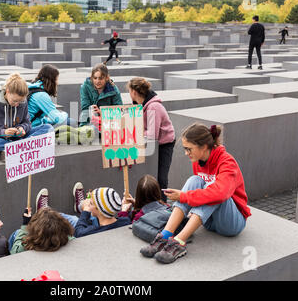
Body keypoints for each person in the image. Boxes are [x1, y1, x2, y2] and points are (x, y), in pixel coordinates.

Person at [140, 123, 252, 264]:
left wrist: (183, 196)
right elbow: (199, 193)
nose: (186, 153)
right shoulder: (198, 161)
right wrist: (187, 199)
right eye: (185, 149)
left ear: (204, 146)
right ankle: (165, 235)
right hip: (209, 221)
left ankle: (179, 241)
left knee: (214, 188)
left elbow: (220, 194)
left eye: (189, 149)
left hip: (231, 223)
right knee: (195, 180)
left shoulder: (227, 162)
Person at [0, 73, 53, 161]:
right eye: (15, 101)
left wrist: (22, 128)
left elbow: (27, 123)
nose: (17, 104)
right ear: (7, 91)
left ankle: (13, 149)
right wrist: (4, 132)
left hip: (18, 138)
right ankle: (22, 147)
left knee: (48, 128)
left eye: (20, 101)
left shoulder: (22, 102)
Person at [127, 77, 175, 202]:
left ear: (134, 92)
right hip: (154, 143)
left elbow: (153, 134)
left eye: (129, 91)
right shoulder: (139, 105)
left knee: (161, 178)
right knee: (152, 176)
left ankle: (163, 203)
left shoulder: (153, 107)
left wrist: (137, 132)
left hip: (165, 143)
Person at [33, 183, 131, 238]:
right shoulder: (126, 221)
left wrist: (85, 212)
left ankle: (44, 213)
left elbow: (79, 231)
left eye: (91, 203)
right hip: (104, 220)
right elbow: (122, 218)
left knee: (75, 220)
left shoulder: (91, 232)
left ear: (99, 211)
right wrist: (124, 210)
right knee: (82, 218)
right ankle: (79, 206)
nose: (88, 203)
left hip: (90, 226)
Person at [9, 206, 74, 254]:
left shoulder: (27, 245)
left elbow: (14, 252)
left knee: (16, 233)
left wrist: (25, 225)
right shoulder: (67, 238)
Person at [79, 63, 123, 130]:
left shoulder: (113, 89)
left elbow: (119, 110)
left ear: (106, 78)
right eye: (95, 78)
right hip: (90, 121)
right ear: (91, 78)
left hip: (108, 122)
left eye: (101, 78)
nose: (97, 81)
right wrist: (83, 127)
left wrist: (102, 112)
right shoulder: (85, 87)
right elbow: (85, 109)